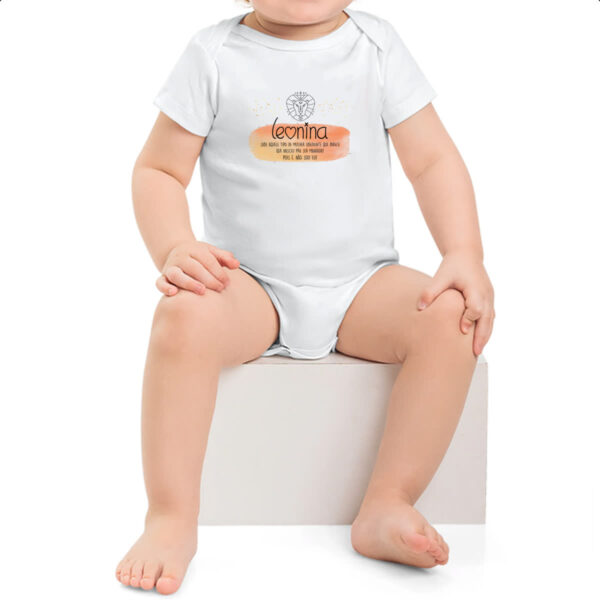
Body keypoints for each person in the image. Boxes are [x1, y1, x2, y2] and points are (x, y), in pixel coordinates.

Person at [115, 0, 496, 594]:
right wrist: (174, 246)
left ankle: (389, 501)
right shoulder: (214, 55)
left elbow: (431, 160)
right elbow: (159, 170)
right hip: (250, 287)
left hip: (362, 285)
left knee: (452, 316)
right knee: (182, 316)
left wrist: (464, 252)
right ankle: (170, 516)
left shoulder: (376, 47)